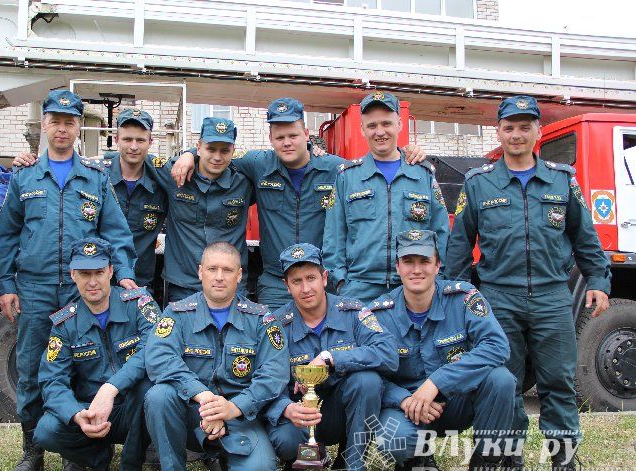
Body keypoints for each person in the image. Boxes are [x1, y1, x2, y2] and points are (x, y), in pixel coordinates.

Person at [445, 95, 610, 471]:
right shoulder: (478, 183)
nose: (516, 134)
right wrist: (456, 294)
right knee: (506, 386)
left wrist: (599, 280)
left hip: (553, 297)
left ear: (537, 132)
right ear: (498, 132)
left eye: (524, 126)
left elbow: (585, 237)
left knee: (558, 386)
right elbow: (459, 247)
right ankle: (510, 464)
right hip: (499, 298)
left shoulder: (561, 180)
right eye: (509, 127)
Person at [0, 89, 136, 471]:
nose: (61, 128)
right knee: (32, 365)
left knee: (79, 366)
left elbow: (116, 233)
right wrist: (6, 283)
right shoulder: (24, 177)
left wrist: (123, 273)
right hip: (35, 287)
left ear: (78, 128)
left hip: (81, 288)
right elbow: (6, 235)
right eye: (54, 121)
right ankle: (32, 449)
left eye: (69, 122)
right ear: (44, 125)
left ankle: (75, 449)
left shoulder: (94, 179)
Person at [171, 97, 428, 309]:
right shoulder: (257, 164)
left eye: (293, 135)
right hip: (276, 282)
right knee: (274, 347)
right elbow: (218, 159)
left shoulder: (336, 168)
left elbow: (375, 170)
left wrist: (405, 154)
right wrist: (189, 155)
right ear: (270, 139)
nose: (287, 142)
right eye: (280, 137)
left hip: (320, 281)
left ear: (306, 133)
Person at [375, 230, 514, 471]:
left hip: (454, 403)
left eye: (424, 260)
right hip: (407, 409)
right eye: (408, 261)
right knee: (395, 440)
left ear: (438, 265)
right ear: (397, 267)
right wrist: (405, 399)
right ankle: (411, 462)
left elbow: (498, 346)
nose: (416, 269)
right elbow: (371, 376)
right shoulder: (379, 314)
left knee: (501, 380)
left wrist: (437, 382)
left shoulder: (463, 298)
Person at [143, 241, 288, 471]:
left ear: (239, 275)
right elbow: (159, 358)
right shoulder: (176, 313)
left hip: (239, 414)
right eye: (212, 269)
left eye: (227, 269)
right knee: (158, 396)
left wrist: (234, 407)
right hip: (190, 411)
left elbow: (275, 373)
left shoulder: (261, 319)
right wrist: (203, 395)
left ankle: (226, 466)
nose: (219, 276)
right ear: (200, 272)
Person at [264, 243, 398, 471]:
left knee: (367, 381)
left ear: (325, 278)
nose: (306, 288)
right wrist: (287, 405)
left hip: (342, 413)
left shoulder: (354, 312)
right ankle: (294, 465)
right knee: (284, 432)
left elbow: (388, 354)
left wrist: (331, 358)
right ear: (286, 286)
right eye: (297, 281)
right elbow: (264, 377)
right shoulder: (276, 324)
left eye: (311, 278)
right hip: (299, 416)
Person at [34, 238, 160, 471]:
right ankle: (97, 457)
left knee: (149, 390)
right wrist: (76, 415)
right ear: (72, 275)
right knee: (46, 431)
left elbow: (153, 352)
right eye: (84, 274)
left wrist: (111, 388)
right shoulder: (65, 323)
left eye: (99, 273)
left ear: (111, 271)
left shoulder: (139, 305)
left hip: (132, 408)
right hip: (92, 411)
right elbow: (52, 381)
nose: (92, 282)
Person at [13, 108, 167, 293]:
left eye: (140, 140)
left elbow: (199, 164)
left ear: (151, 142)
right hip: (94, 280)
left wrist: (190, 154)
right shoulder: (93, 176)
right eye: (127, 139)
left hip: (138, 280)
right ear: (116, 139)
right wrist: (28, 161)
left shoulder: (161, 181)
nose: (133, 146)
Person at [323, 92, 449, 302]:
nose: (380, 132)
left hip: (413, 288)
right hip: (360, 289)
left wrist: (439, 279)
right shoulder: (347, 177)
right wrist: (341, 282)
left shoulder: (423, 175)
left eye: (386, 123)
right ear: (362, 129)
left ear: (399, 124)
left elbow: (441, 233)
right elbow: (333, 237)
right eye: (372, 126)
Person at [149, 118, 254, 302]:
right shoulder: (174, 174)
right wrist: (187, 154)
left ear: (233, 151)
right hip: (184, 285)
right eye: (211, 149)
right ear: (199, 147)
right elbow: (137, 158)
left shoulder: (245, 182)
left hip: (230, 286)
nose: (217, 157)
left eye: (224, 151)